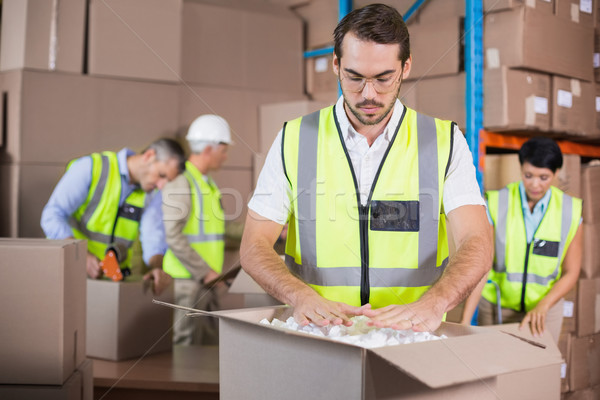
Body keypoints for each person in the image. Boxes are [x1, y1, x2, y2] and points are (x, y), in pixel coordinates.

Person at [240, 3, 493, 333]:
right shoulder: (294, 139)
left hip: (410, 337)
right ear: (336, 64)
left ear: (406, 67)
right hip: (320, 334)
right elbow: (253, 244)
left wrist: (435, 303)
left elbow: (477, 240)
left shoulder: (444, 142)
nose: (368, 94)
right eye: (355, 77)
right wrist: (299, 296)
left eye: (384, 78)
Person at [461, 137, 582, 343]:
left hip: (545, 310)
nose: (535, 184)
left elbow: (572, 272)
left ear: (556, 173)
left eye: (544, 177)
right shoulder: (497, 203)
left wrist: (544, 305)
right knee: (495, 368)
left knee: (540, 370)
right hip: (496, 307)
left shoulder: (570, 211)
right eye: (528, 175)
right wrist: (464, 321)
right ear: (521, 169)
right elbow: (483, 264)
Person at [41, 138, 186, 295]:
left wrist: (157, 267)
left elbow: (153, 236)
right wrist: (81, 257)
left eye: (167, 181)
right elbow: (52, 215)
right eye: (161, 175)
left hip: (113, 284)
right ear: (149, 156)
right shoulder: (92, 168)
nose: (162, 185)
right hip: (72, 275)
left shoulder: (152, 193)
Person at [162, 115, 231, 345]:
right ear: (209, 149)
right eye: (224, 150)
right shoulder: (182, 183)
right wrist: (205, 271)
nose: (225, 156)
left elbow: (220, 228)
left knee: (210, 346)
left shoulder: (207, 184)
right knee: (186, 345)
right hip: (190, 280)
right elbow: (173, 234)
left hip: (208, 278)